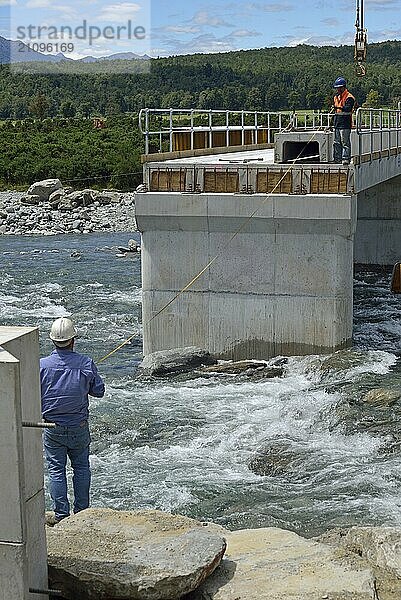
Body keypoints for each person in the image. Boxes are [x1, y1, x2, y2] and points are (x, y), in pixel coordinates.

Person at [40, 317, 105, 523]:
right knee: (81, 467)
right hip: (78, 427)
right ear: (73, 340)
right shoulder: (86, 363)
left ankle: (60, 515)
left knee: (56, 470)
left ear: (52, 340)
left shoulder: (41, 366)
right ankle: (82, 512)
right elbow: (99, 391)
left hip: (52, 427)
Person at [332, 76, 356, 165]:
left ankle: (345, 158)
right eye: (337, 88)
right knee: (336, 142)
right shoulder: (336, 97)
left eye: (339, 88)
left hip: (345, 123)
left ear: (343, 87)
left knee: (345, 142)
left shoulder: (349, 97)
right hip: (337, 123)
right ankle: (337, 159)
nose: (337, 90)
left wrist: (339, 107)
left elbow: (348, 108)